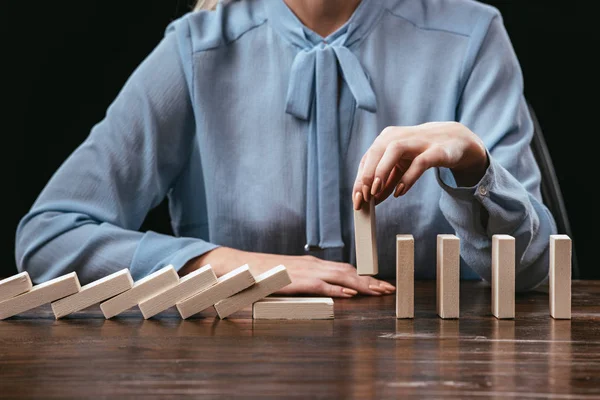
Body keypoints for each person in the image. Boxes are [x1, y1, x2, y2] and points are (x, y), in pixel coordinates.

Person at [15, 0, 556, 298]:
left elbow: (535, 271)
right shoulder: (195, 47)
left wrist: (472, 163)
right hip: (236, 375)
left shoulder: (475, 35)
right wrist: (228, 265)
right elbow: (48, 238)